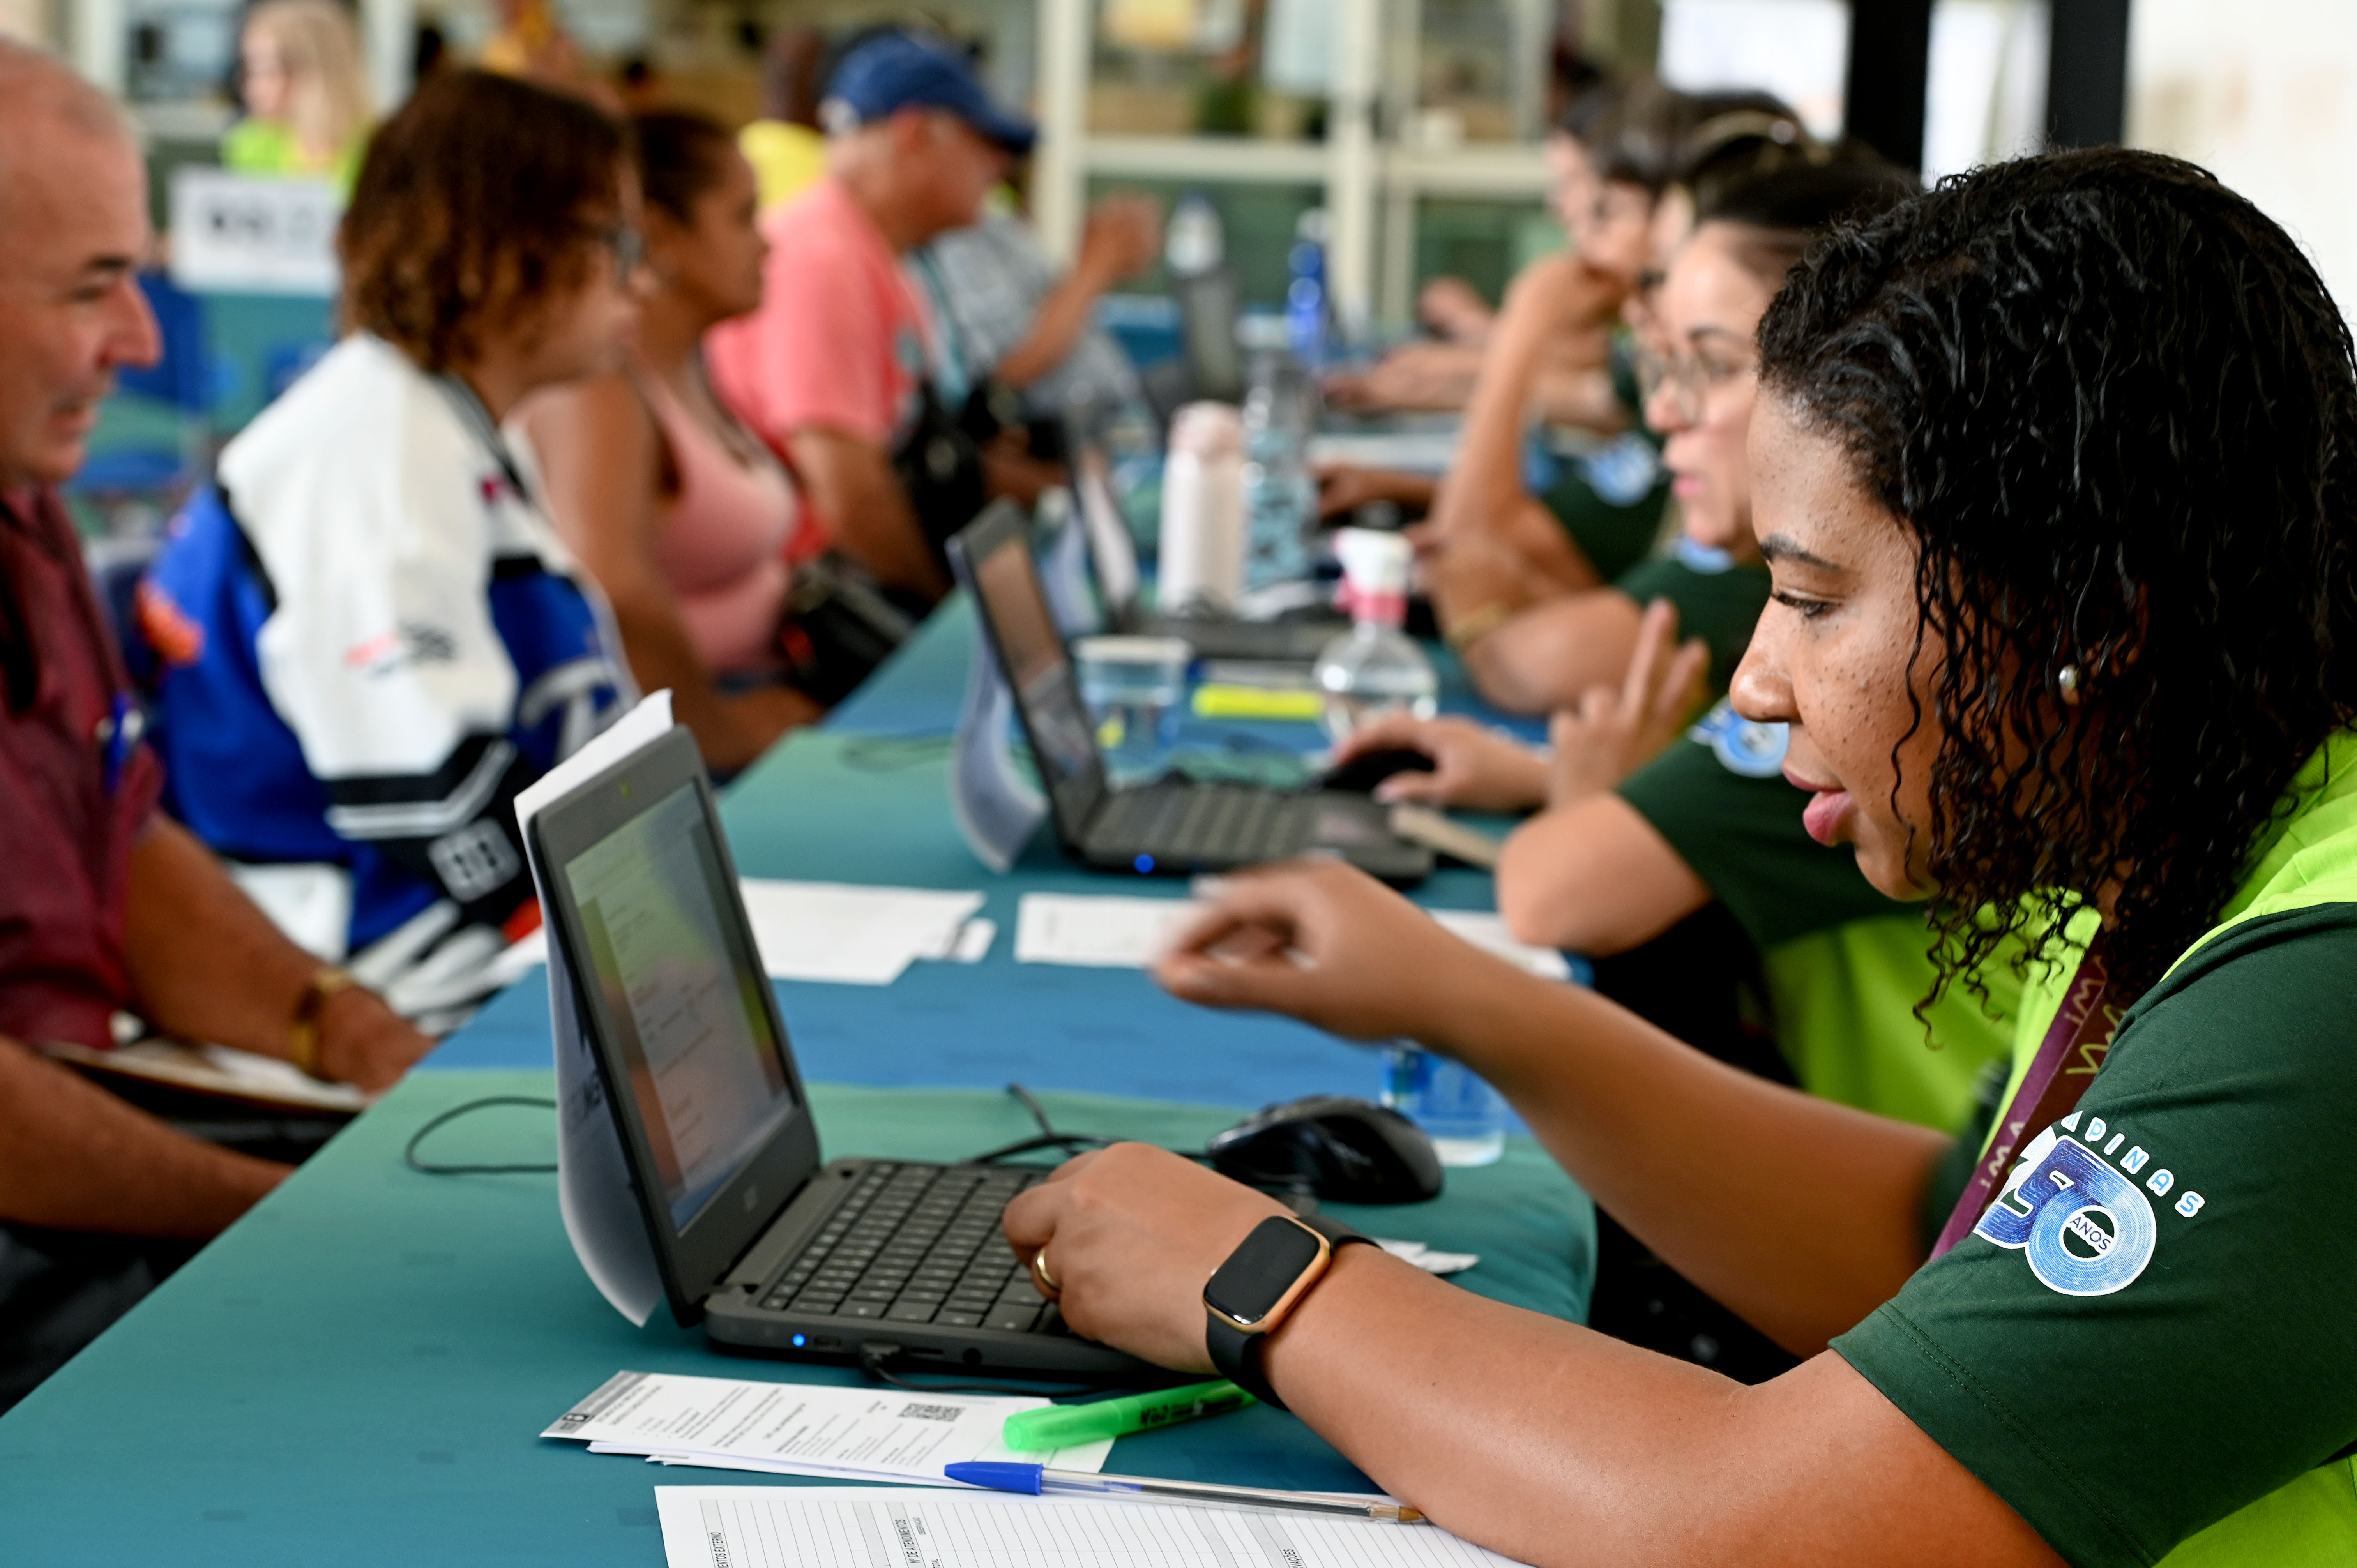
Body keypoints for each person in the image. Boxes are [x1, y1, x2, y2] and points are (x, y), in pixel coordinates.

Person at [1004, 148, 2357, 1564]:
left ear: (2090, 614)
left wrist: (1260, 1281)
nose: (1758, 679)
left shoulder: (2321, 978)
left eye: (1810, 597)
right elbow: (1937, 1242)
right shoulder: (2197, 832)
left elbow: (1765, 1524)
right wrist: (1478, 1001)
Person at [0, 40, 429, 1411]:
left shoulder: (23, 504)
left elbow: (112, 827)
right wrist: (278, 1215)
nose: (137, 339)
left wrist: (341, 1028)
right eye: (91, 288)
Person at [141, 70, 636, 1031]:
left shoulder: (440, 421)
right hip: (381, 983)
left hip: (455, 944)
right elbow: (437, 807)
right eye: (614, 243)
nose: (639, 281)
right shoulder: (368, 449)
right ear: (503, 248)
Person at [1424, 100, 1840, 717]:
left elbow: (1523, 627)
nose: (1638, 293)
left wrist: (1524, 325)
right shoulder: (1708, 449)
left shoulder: (1756, 518)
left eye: (1659, 271)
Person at [523, 110, 823, 777]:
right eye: (744, 217)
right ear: (661, 235)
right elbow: (612, 595)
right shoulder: (601, 387)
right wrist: (719, 732)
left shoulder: (694, 363)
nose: (768, 244)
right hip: (694, 739)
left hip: (760, 696)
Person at [708, 29, 1034, 606]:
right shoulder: (823, 259)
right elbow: (851, 502)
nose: (1002, 165)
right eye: (986, 141)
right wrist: (950, 622)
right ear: (915, 135)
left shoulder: (874, 253)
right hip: (807, 621)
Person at [911, 190, 1159, 432]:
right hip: (1049, 440)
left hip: (1115, 423)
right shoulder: (946, 241)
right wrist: (1098, 263)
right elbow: (1003, 377)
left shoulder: (993, 222)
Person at [223, 0, 374, 188]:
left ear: (313, 72)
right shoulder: (249, 146)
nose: (251, 85)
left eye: (265, 70)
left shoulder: (378, 148)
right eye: (249, 70)